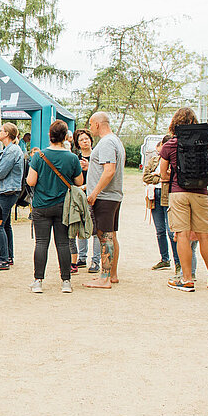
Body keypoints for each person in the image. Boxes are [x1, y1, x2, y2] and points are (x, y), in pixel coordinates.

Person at [158, 107, 208, 292]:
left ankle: (187, 279)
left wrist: (172, 175)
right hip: (201, 192)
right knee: (205, 235)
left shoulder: (170, 144)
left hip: (178, 192)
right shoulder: (206, 143)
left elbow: (163, 174)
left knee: (181, 235)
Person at [26, 120, 83, 294]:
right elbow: (79, 182)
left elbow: (31, 181)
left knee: (41, 243)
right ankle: (66, 281)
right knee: (63, 243)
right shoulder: (72, 157)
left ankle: (38, 281)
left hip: (41, 205)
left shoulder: (39, 156)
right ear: (65, 136)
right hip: (63, 206)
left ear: (49, 136)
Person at [83, 112, 125, 289]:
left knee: (104, 236)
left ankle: (105, 277)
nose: (90, 128)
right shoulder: (114, 140)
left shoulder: (107, 142)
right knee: (111, 235)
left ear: (97, 124)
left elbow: (109, 170)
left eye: (91, 125)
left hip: (105, 197)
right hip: (112, 196)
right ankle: (111, 274)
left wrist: (94, 193)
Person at [0, 123, 24, 271]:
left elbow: (0, 173)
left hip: (7, 191)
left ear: (7, 134)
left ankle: (3, 259)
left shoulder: (12, 150)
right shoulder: (9, 149)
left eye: (0, 130)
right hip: (9, 190)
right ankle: (8, 256)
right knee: (5, 225)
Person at [143, 138, 178, 271]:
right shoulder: (154, 160)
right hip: (154, 196)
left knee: (171, 231)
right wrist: (161, 177)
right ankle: (164, 259)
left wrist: (159, 176)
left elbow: (172, 178)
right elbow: (146, 177)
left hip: (168, 196)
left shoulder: (174, 162)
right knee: (160, 230)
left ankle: (178, 261)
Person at [71, 129, 100, 273]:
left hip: (94, 196)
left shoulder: (97, 155)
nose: (85, 141)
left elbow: (102, 175)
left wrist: (90, 169)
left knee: (95, 229)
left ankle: (95, 261)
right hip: (79, 197)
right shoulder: (75, 158)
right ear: (77, 143)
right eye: (81, 139)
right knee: (80, 228)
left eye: (87, 138)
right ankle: (82, 257)